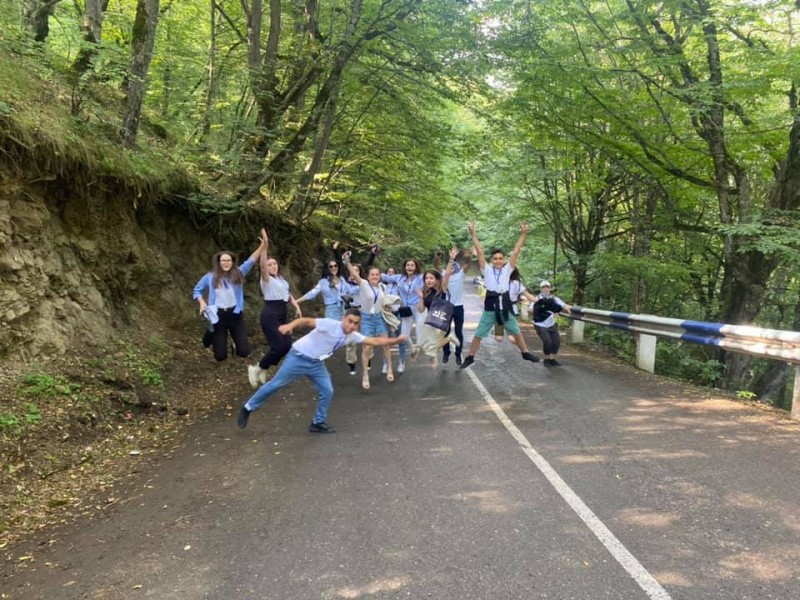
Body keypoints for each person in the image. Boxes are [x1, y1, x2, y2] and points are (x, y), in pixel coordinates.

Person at [236, 309, 407, 432]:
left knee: (327, 390)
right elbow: (306, 321)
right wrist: (290, 326)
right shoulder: (330, 324)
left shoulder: (353, 335)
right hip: (299, 356)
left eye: (356, 323)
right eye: (350, 321)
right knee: (276, 384)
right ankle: (248, 407)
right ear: (343, 319)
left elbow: (374, 341)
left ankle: (317, 423)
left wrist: (395, 341)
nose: (352, 326)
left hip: (316, 363)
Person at [459, 222, 540, 369]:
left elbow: (516, 252)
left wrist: (523, 234)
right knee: (479, 333)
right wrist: (473, 234)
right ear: (491, 260)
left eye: (500, 258)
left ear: (504, 260)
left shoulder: (508, 269)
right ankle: (470, 357)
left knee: (516, 331)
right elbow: (480, 252)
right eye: (495, 258)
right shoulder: (487, 270)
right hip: (491, 305)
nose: (498, 261)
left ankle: (525, 352)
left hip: (505, 305)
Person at [192, 237, 266, 362]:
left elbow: (251, 260)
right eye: (223, 260)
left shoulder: (239, 273)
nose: (226, 263)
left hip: (235, 315)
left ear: (232, 262)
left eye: (228, 260)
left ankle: (235, 344)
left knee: (244, 352)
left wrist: (262, 246)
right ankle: (216, 341)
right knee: (220, 356)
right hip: (218, 316)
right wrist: (202, 302)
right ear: (218, 262)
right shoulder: (210, 276)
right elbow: (197, 290)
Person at [248, 229, 302, 387]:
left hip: (282, 313)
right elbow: (263, 267)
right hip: (270, 314)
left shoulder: (281, 280)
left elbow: (287, 294)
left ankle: (264, 367)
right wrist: (265, 246)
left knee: (287, 346)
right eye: (269, 264)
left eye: (274, 264)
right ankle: (256, 369)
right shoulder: (266, 280)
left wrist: (296, 306)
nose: (272, 266)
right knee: (278, 347)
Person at [342, 252, 396, 389]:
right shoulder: (364, 284)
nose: (375, 276)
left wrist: (387, 307)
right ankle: (365, 375)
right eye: (372, 274)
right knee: (367, 348)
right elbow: (354, 274)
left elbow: (383, 301)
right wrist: (347, 261)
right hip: (366, 319)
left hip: (379, 318)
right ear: (368, 276)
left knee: (385, 345)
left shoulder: (382, 287)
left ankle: (390, 368)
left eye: (377, 274)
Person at [382, 258, 424, 373]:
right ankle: (412, 349)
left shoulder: (421, 277)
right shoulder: (399, 278)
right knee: (403, 336)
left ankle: (421, 348)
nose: (410, 267)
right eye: (408, 265)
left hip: (419, 308)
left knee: (420, 337)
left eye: (412, 265)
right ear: (405, 267)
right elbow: (383, 277)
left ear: (416, 267)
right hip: (406, 309)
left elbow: (434, 278)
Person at [415, 262, 456, 367]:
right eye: (426, 278)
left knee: (431, 345)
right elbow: (420, 310)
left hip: (441, 320)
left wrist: (451, 260)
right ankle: (448, 339)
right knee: (422, 345)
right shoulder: (426, 292)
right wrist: (421, 297)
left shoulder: (442, 290)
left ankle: (447, 340)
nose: (428, 280)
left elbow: (446, 275)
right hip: (431, 321)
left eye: (431, 278)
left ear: (437, 280)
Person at [434, 246, 470, 365]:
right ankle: (446, 352)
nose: (454, 268)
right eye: (452, 266)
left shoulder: (461, 275)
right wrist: (437, 257)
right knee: (445, 331)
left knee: (459, 332)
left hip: (459, 307)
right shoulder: (445, 274)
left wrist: (468, 256)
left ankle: (458, 353)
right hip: (446, 306)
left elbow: (467, 265)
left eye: (456, 266)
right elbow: (436, 266)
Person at [533, 280, 571, 367]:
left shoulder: (554, 298)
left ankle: (552, 359)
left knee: (556, 342)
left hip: (551, 323)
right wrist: (541, 308)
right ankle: (546, 359)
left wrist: (568, 310)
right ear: (540, 289)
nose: (545, 289)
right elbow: (530, 309)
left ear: (550, 288)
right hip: (540, 324)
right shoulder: (537, 299)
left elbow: (563, 305)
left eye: (547, 287)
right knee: (547, 341)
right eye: (543, 287)